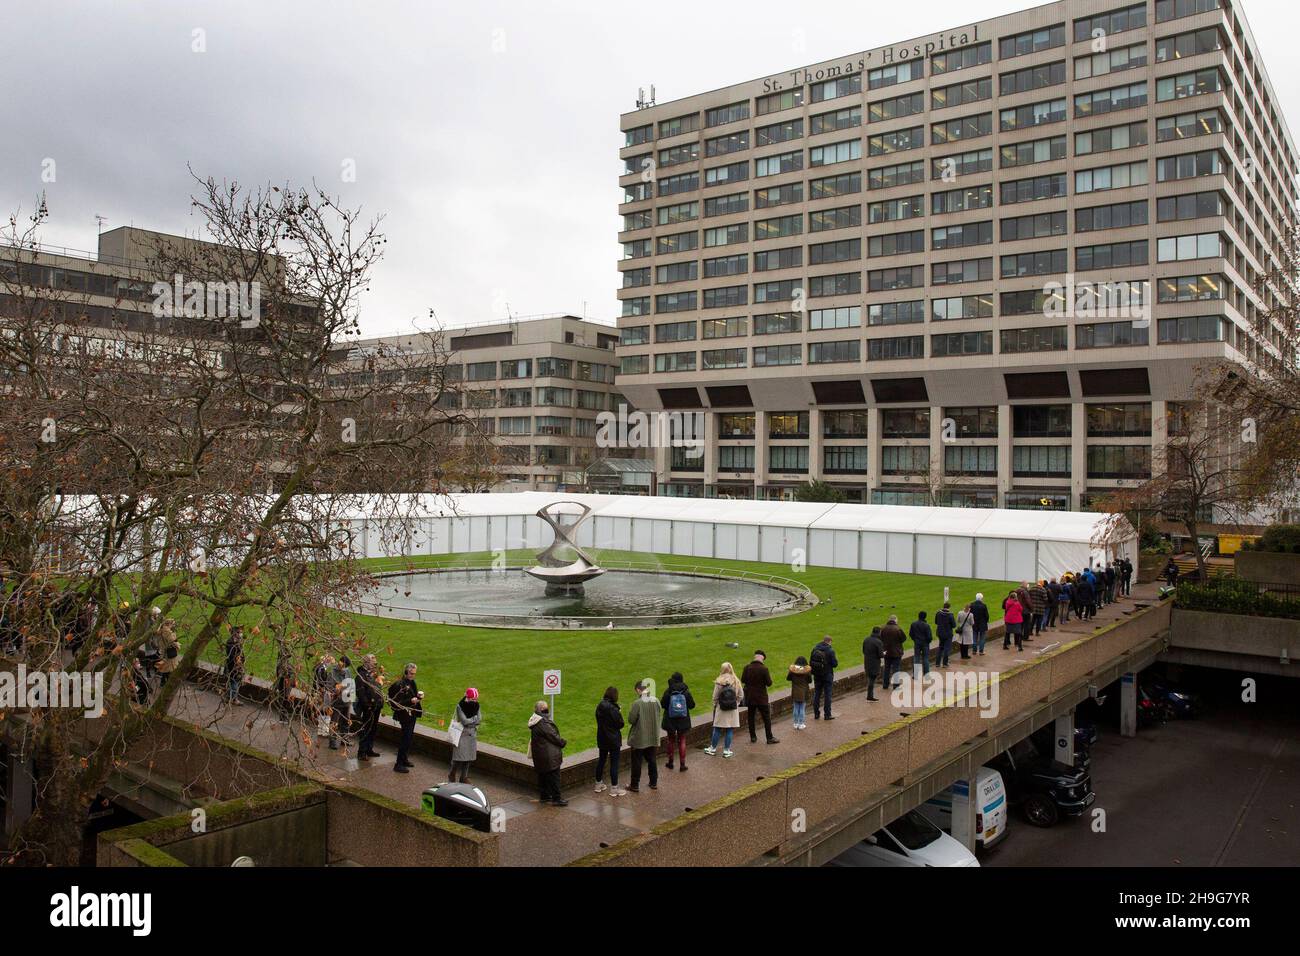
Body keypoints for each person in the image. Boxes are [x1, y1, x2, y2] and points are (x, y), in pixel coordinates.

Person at [528, 700, 567, 806]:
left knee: (543, 775)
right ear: (541, 710)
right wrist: (563, 742)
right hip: (548, 755)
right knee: (554, 776)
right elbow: (553, 736)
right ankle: (557, 799)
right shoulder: (543, 722)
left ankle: (544, 796)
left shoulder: (535, 720)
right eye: (546, 707)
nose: (547, 709)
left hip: (540, 754)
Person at [626, 678, 662, 792]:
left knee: (636, 762)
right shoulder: (656, 700)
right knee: (652, 760)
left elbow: (631, 720)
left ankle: (635, 785)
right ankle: (653, 782)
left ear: (638, 690)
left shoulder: (637, 703)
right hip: (652, 736)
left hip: (640, 737)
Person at [387, 662, 422, 773]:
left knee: (409, 738)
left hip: (412, 713)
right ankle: (398, 764)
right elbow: (396, 702)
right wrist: (410, 701)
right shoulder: (400, 685)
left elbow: (414, 696)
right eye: (411, 673)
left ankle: (404, 759)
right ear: (406, 672)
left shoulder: (412, 683)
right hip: (404, 715)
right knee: (405, 739)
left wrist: (418, 698)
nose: (413, 675)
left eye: (414, 673)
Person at [705, 663, 743, 757]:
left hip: (721, 708)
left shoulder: (719, 681)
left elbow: (715, 697)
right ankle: (726, 750)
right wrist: (736, 703)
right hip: (732, 709)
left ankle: (712, 748)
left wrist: (716, 705)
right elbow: (741, 695)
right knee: (729, 729)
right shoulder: (736, 681)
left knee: (717, 728)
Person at [741, 650, 779, 744]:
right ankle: (769, 738)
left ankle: (753, 737)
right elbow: (769, 683)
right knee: (766, 718)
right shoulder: (764, 669)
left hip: (750, 697)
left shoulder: (747, 667)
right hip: (761, 698)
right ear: (762, 658)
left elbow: (743, 680)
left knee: (751, 717)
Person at [660, 672, 695, 772]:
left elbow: (663, 704)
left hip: (670, 719)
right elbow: (692, 705)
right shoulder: (686, 691)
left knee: (670, 740)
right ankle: (682, 764)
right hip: (683, 719)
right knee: (682, 740)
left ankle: (670, 762)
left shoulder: (668, 691)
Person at [594, 686, 625, 794]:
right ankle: (614, 788)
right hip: (613, 739)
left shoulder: (600, 706)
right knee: (614, 763)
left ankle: (598, 784)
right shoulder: (613, 709)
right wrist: (619, 712)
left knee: (601, 760)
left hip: (602, 737)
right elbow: (620, 724)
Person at [355, 654, 384, 760]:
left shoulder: (372, 675)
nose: (375, 664)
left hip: (375, 706)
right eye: (373, 662)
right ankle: (362, 752)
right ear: (366, 662)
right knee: (366, 729)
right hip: (367, 708)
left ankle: (369, 749)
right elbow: (361, 693)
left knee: (373, 729)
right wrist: (368, 706)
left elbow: (376, 689)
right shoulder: (361, 676)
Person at [449, 687, 480, 783]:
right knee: (458, 758)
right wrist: (473, 721)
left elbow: (479, 719)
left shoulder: (477, 705)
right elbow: (464, 721)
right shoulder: (460, 706)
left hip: (471, 735)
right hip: (461, 735)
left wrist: (472, 721)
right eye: (472, 699)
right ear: (468, 697)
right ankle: (452, 774)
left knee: (468, 758)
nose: (474, 701)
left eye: (476, 699)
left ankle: (463, 777)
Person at [809, 635, 838, 720]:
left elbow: (810, 662)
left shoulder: (815, 649)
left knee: (817, 693)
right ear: (829, 641)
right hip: (827, 675)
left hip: (817, 675)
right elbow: (835, 664)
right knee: (827, 695)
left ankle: (816, 714)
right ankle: (827, 714)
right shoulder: (830, 651)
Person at [880, 615, 906, 690]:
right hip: (896, 652)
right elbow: (903, 638)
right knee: (896, 668)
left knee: (886, 668)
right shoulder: (898, 628)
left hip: (886, 652)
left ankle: (885, 684)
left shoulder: (883, 628)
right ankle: (896, 685)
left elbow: (880, 638)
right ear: (895, 620)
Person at [787, 655, 814, 726]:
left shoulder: (793, 671)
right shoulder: (807, 671)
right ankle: (801, 723)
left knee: (796, 707)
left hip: (795, 691)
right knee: (802, 708)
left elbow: (788, 678)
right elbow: (810, 681)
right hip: (803, 691)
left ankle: (795, 723)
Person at [223, 625, 244, 705]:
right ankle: (233, 699)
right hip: (233, 666)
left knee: (233, 683)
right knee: (234, 683)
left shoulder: (237, 642)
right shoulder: (231, 643)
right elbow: (233, 655)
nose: (241, 634)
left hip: (236, 667)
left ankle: (229, 698)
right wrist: (238, 660)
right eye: (240, 633)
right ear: (235, 634)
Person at [861, 628, 884, 700]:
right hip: (874, 663)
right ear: (879, 633)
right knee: (872, 679)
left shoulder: (866, 639)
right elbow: (881, 655)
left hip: (867, 661)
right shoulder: (878, 642)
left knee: (870, 678)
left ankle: (870, 695)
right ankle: (869, 696)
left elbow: (864, 651)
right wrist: (884, 653)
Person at [909, 611, 933, 676]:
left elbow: (911, 634)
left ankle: (915, 674)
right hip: (925, 643)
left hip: (917, 643)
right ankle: (926, 674)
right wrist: (927, 642)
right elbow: (929, 637)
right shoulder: (926, 625)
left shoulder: (913, 624)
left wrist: (915, 640)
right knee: (925, 658)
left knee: (916, 658)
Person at [934, 603, 956, 668]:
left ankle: (937, 663)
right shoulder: (950, 615)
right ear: (949, 607)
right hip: (948, 634)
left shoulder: (938, 613)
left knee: (940, 647)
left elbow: (936, 622)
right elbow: (954, 625)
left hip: (940, 633)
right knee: (947, 648)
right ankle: (945, 663)